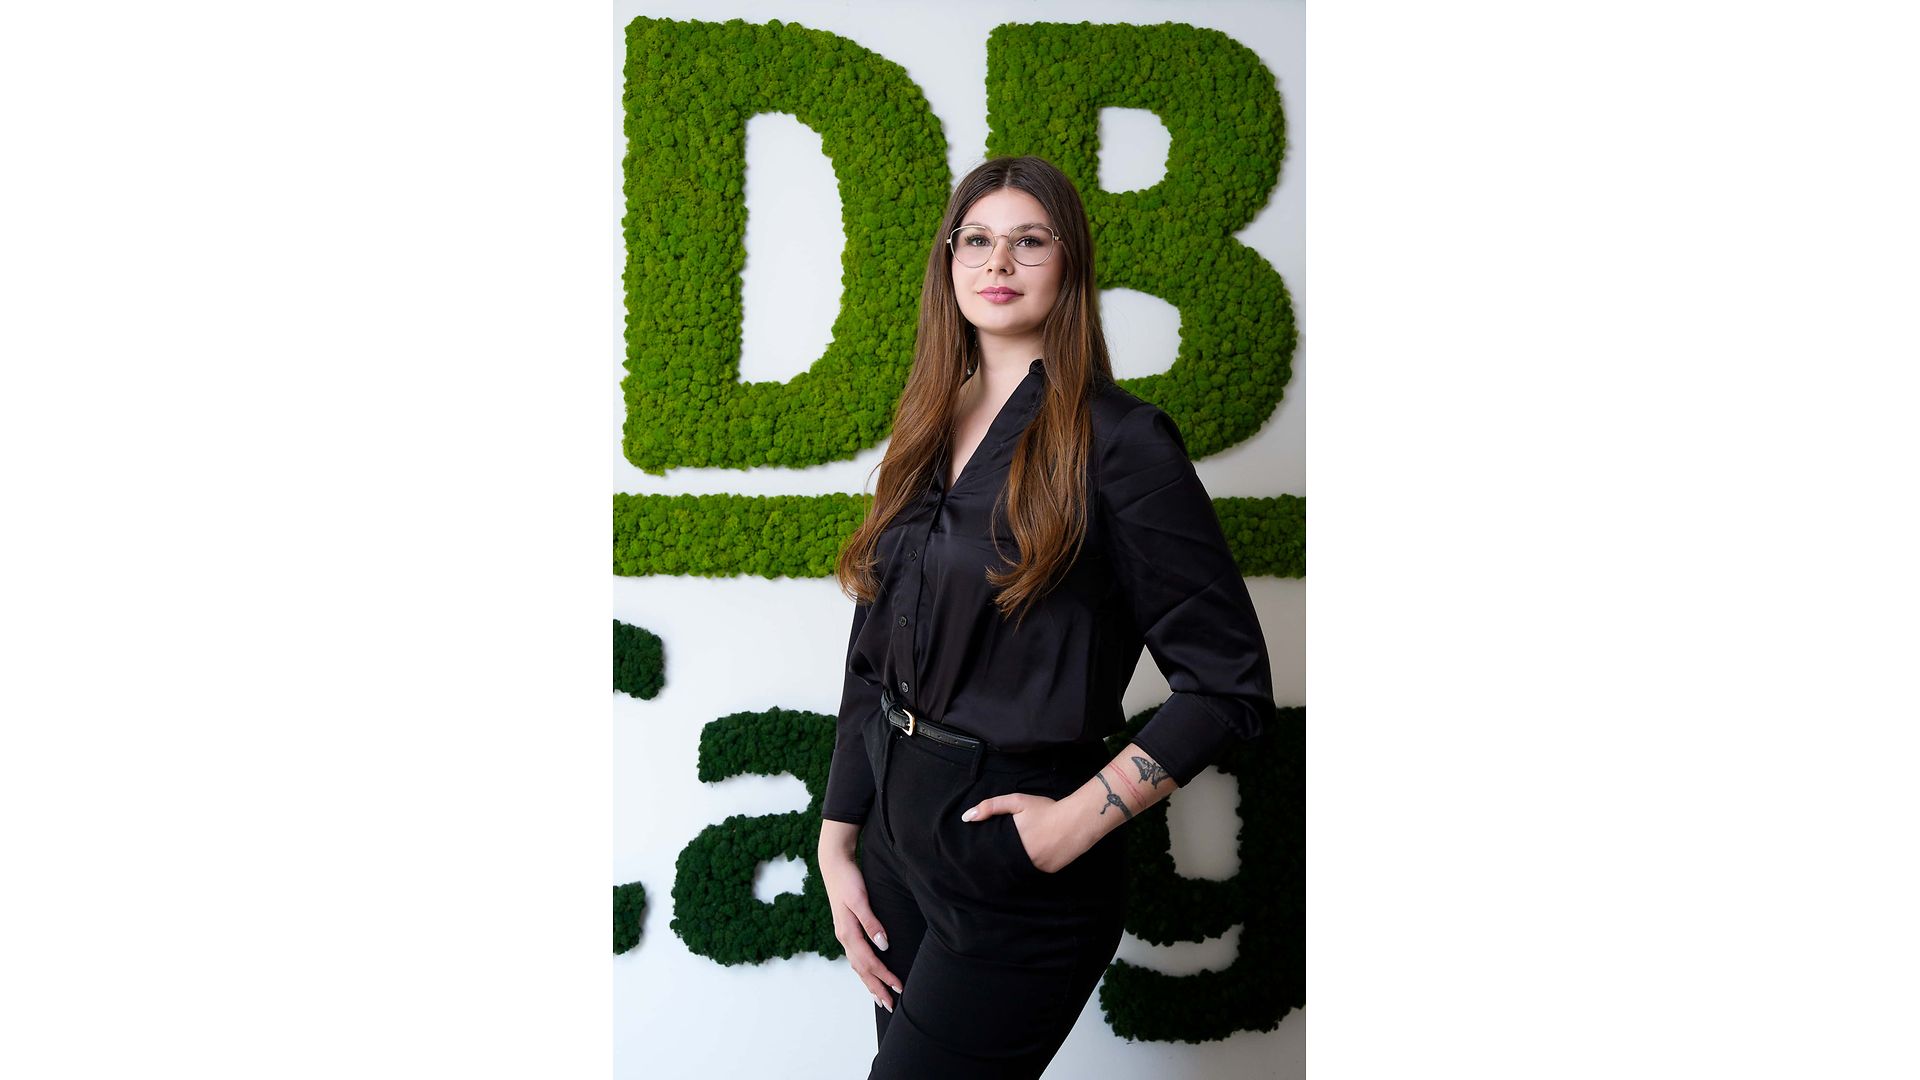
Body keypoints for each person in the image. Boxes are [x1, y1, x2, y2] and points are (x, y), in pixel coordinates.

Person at [816, 155, 1277, 1080]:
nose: (999, 262)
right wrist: (838, 838)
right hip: (896, 843)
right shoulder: (926, 421)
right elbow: (877, 647)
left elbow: (1228, 685)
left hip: (1014, 861)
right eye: (977, 239)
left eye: (1029, 240)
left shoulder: (1123, 441)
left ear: (1069, 265)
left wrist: (1063, 831)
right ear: (949, 262)